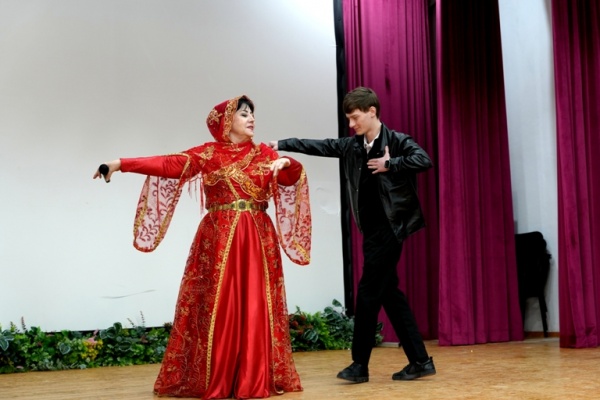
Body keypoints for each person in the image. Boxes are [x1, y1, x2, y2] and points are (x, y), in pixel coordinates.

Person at [93, 95, 312, 399]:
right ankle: (218, 375)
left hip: (258, 237)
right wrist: (120, 164)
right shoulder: (208, 153)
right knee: (219, 305)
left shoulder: (264, 153)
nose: (251, 118)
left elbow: (292, 176)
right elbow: (169, 164)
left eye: (251, 114)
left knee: (256, 303)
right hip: (218, 237)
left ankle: (253, 376)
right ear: (225, 122)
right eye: (243, 114)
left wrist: (288, 161)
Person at [268, 86, 435, 383]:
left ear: (372, 111)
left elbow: (423, 160)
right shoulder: (352, 146)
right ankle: (420, 361)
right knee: (390, 295)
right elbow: (321, 146)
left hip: (390, 230)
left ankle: (359, 365)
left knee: (367, 295)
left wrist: (390, 164)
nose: (351, 124)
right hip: (371, 232)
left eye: (355, 117)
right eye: (348, 119)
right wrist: (281, 144)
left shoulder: (397, 141)